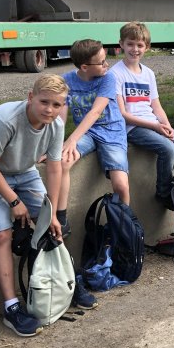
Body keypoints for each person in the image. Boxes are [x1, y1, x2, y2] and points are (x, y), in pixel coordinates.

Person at [0, 74, 67, 337]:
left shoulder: (55, 125)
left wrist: (53, 212)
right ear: (31, 97)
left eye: (57, 105)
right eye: (44, 102)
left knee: (50, 227)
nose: (49, 110)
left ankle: (61, 283)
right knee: (1, 234)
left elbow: (55, 169)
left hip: (25, 170)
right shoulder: (5, 119)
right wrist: (14, 201)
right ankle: (11, 307)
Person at [110, 22, 174, 209]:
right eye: (130, 44)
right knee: (168, 149)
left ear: (147, 47)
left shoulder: (148, 73)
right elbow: (122, 114)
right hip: (132, 127)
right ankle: (164, 193)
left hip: (153, 123)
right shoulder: (115, 74)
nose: (135, 49)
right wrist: (156, 127)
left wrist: (167, 126)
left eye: (140, 45)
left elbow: (156, 106)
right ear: (121, 44)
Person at [58, 39, 129, 237]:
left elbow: (96, 111)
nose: (107, 65)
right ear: (84, 67)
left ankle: (123, 228)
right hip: (87, 132)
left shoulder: (108, 78)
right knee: (63, 161)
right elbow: (60, 118)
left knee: (121, 185)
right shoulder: (67, 81)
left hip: (111, 131)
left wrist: (72, 139)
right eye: (102, 62)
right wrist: (56, 144)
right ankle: (61, 218)